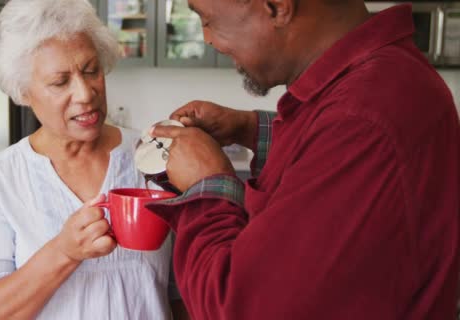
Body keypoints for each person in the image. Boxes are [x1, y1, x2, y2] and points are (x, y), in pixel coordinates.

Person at [147, 0, 460, 319]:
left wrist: (206, 187)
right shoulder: (378, 83)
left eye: (209, 20)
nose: (207, 38)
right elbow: (323, 150)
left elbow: (239, 307)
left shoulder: (364, 120)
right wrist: (250, 129)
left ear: (277, 6)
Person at [0, 0, 187, 319]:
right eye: (60, 82)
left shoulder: (152, 158)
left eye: (91, 71)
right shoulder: (0, 180)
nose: (85, 93)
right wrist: (64, 252)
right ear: (23, 92)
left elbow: (180, 292)